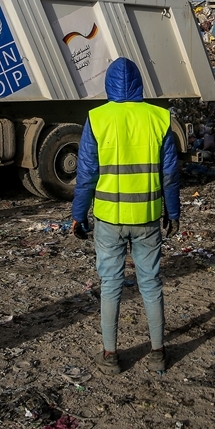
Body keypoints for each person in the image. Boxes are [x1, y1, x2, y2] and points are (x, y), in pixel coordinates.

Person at [72, 57, 181, 375]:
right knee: (151, 284)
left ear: (108, 85)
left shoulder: (97, 119)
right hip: (147, 219)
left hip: (108, 220)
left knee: (111, 285)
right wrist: (172, 212)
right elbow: (170, 174)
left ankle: (110, 356)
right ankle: (159, 352)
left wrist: (79, 214)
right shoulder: (159, 119)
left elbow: (86, 175)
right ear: (139, 84)